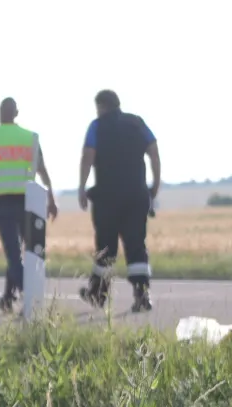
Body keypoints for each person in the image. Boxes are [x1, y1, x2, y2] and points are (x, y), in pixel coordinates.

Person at [0, 98, 58, 313]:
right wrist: (51, 199)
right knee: (27, 253)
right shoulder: (29, 138)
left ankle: (30, 297)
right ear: (16, 113)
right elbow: (42, 170)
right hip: (30, 203)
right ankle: (8, 298)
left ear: (2, 113)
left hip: (4, 203)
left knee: (13, 253)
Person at [77, 89, 160, 312]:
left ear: (101, 106)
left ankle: (98, 294)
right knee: (136, 245)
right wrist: (156, 184)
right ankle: (142, 295)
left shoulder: (97, 126)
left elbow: (88, 156)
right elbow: (153, 150)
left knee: (106, 248)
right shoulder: (137, 123)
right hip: (136, 195)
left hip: (107, 197)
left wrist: (82, 188)